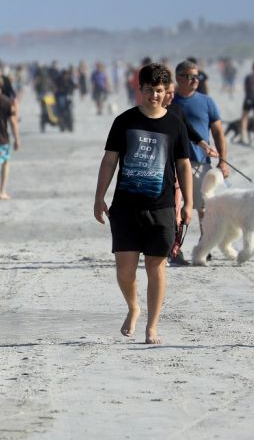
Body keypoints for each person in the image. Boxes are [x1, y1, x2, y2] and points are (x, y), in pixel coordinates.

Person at [94, 63, 193, 345]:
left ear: (166, 92)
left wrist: (187, 203)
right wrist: (99, 196)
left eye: (159, 91)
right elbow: (109, 160)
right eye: (149, 90)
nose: (154, 96)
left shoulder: (175, 124)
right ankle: (133, 307)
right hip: (125, 206)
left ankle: (152, 326)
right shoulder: (124, 122)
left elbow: (183, 165)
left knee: (155, 267)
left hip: (161, 207)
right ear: (140, 90)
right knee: (124, 270)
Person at [171, 60, 229, 254]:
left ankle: (205, 246)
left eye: (197, 76)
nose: (195, 80)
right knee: (175, 207)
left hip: (200, 162)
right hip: (172, 163)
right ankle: (174, 247)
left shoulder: (206, 101)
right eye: (190, 76)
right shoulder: (170, 101)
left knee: (204, 208)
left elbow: (219, 133)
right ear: (179, 78)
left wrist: (222, 161)